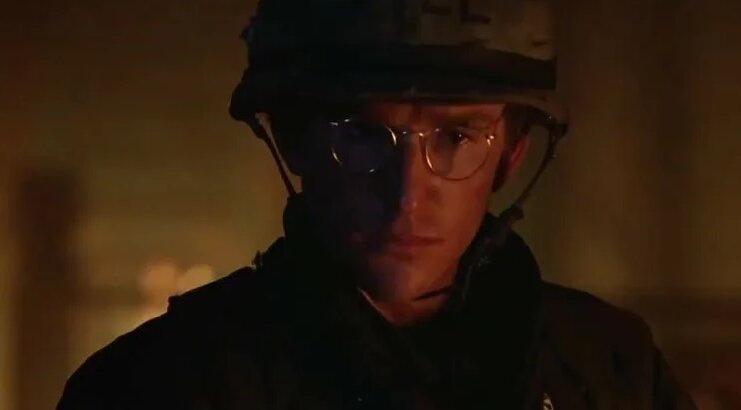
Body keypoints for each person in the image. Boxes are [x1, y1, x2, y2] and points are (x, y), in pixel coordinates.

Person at [58, 0, 697, 409]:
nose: (408, 193)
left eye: (456, 137)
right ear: (295, 138)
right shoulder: (160, 385)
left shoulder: (612, 373)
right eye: (363, 134)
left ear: (511, 154)